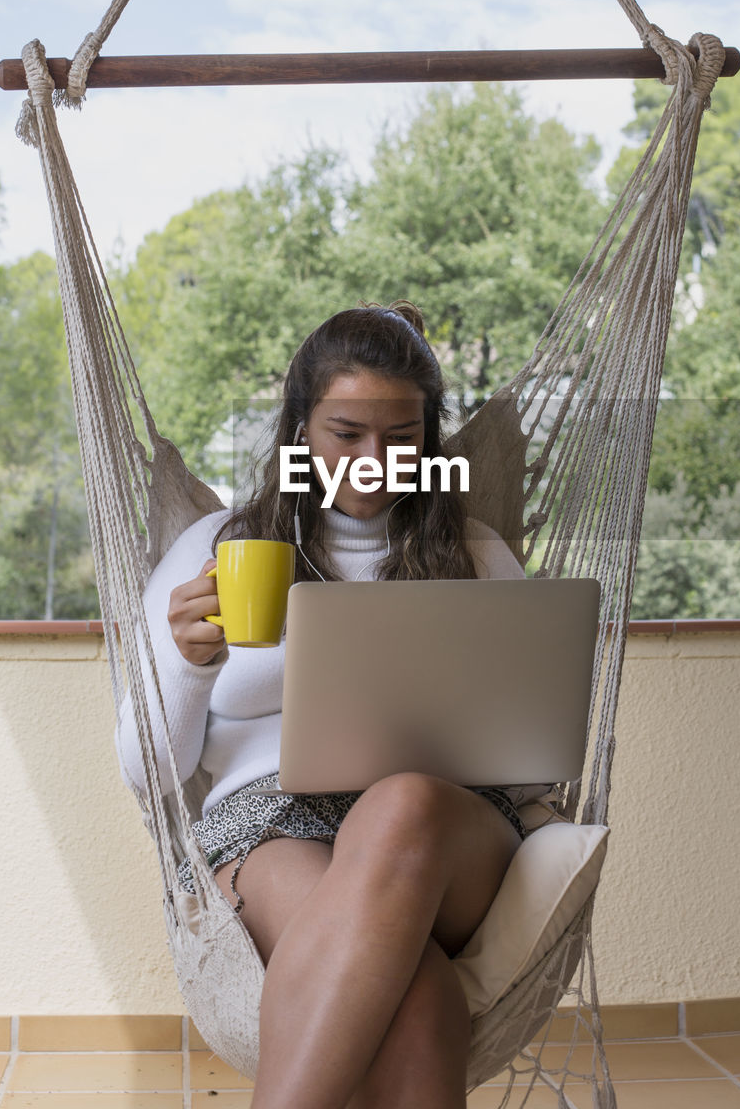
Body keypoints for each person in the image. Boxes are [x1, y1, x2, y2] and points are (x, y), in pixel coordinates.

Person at [117, 301, 526, 1109]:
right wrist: (190, 668)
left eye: (401, 440)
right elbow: (145, 774)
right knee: (414, 993)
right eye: (347, 434)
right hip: (270, 825)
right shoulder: (211, 549)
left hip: (444, 830)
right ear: (301, 429)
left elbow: (526, 731)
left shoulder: (477, 555)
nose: (375, 461)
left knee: (400, 803)